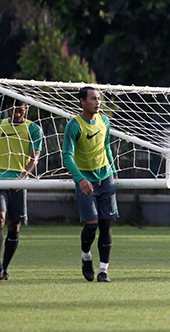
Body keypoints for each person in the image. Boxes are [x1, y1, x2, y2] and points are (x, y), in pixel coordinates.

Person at [0, 102, 43, 280]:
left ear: (26, 109)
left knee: (15, 225)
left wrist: (22, 178)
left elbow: (34, 157)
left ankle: (4, 269)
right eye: (14, 109)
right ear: (8, 109)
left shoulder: (34, 129)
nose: (18, 113)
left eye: (21, 109)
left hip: (19, 183)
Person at [63, 86, 118, 283]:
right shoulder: (74, 125)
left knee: (106, 224)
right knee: (91, 224)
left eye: (99, 99)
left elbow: (106, 147)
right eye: (93, 99)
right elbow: (67, 157)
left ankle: (103, 271)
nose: (98, 102)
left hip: (106, 178)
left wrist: (113, 168)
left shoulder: (105, 120)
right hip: (85, 180)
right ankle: (86, 256)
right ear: (82, 101)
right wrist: (81, 179)